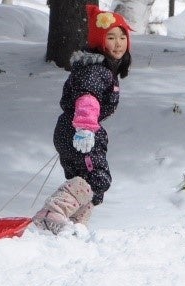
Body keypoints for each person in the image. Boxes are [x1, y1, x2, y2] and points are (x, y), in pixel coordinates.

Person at [32, 6, 132, 234]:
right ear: (99, 41)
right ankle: (51, 214)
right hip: (79, 130)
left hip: (73, 129)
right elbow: (88, 98)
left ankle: (75, 226)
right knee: (96, 177)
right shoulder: (96, 71)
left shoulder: (102, 69)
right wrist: (85, 129)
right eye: (111, 37)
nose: (118, 43)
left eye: (122, 37)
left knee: (87, 180)